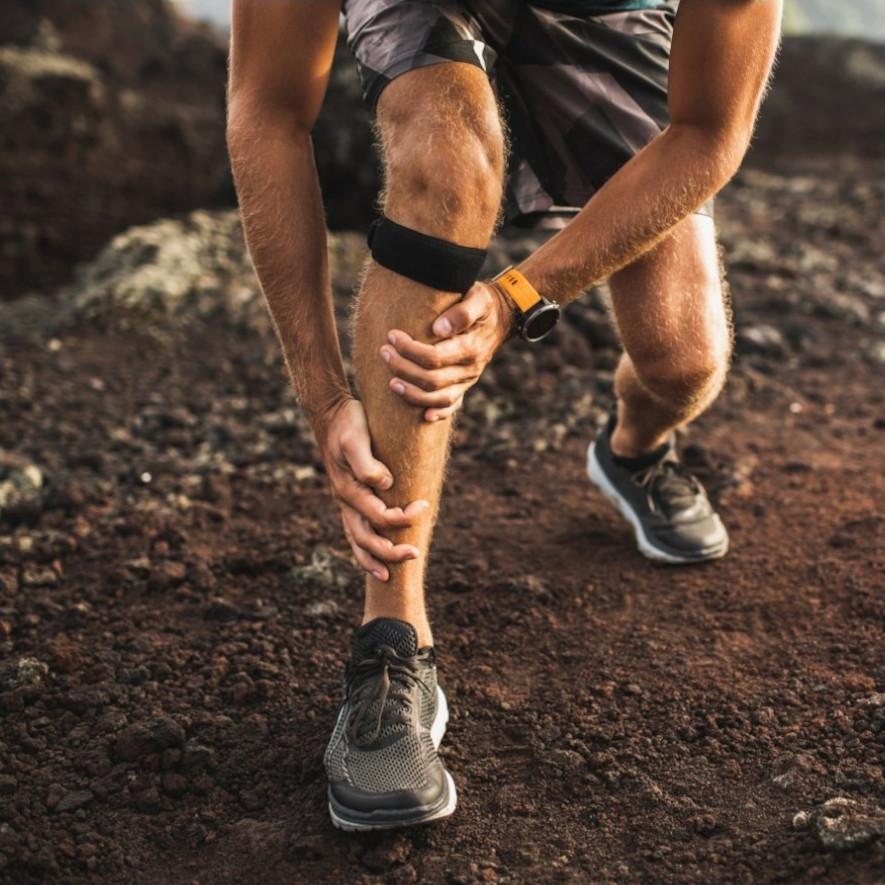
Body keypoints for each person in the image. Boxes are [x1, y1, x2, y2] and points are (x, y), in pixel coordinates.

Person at [227, 0, 782, 831]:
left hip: (605, 19)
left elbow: (707, 131)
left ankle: (632, 450)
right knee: (445, 164)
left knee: (682, 359)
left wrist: (519, 294)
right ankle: (391, 639)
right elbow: (266, 107)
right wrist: (324, 395)